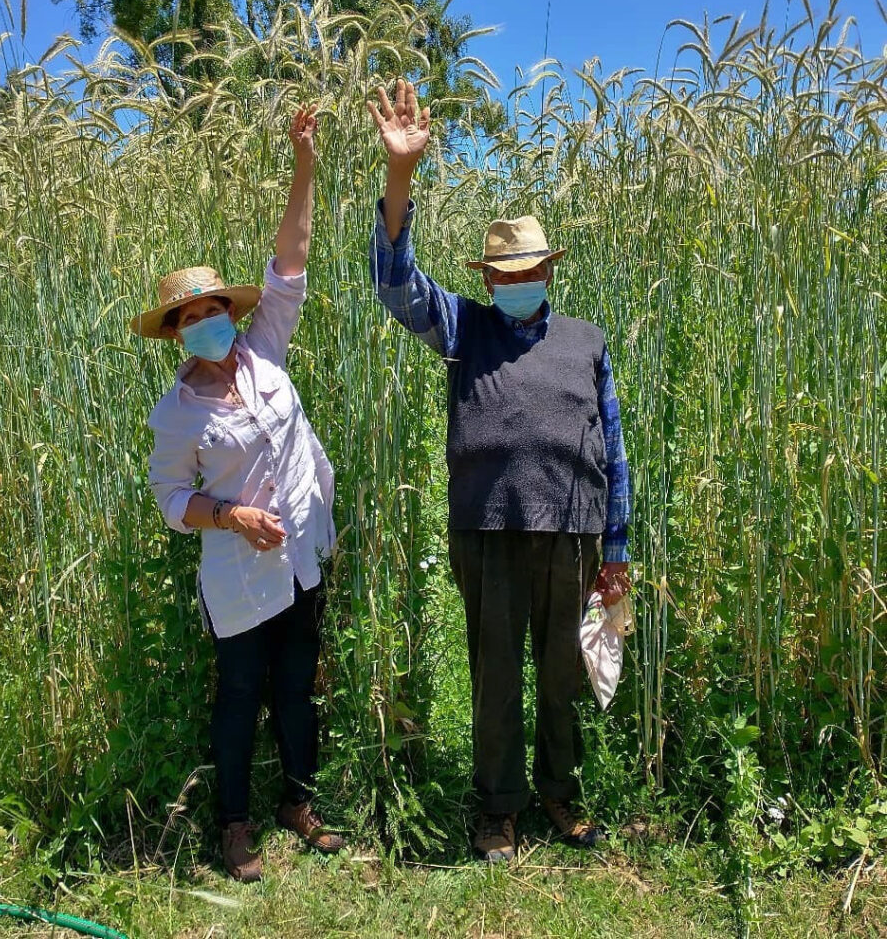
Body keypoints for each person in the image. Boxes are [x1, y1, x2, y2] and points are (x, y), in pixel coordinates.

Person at [366, 79, 632, 862]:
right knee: (496, 678)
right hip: (486, 529)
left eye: (531, 272)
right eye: (506, 276)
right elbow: (392, 285)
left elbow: (614, 447)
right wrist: (400, 178)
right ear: (486, 280)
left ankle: (560, 793)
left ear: (549, 270)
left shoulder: (586, 341)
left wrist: (616, 551)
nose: (519, 285)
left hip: (574, 534)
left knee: (563, 675)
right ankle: (496, 810)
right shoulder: (465, 328)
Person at [131, 105, 344, 882]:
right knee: (239, 696)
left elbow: (292, 258)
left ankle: (300, 802)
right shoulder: (177, 413)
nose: (208, 322)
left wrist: (304, 163)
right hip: (237, 577)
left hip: (299, 562)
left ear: (231, 311)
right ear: (178, 335)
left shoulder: (266, 354)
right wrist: (228, 514)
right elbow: (170, 500)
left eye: (215, 308)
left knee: (298, 688)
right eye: (191, 318)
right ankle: (233, 825)